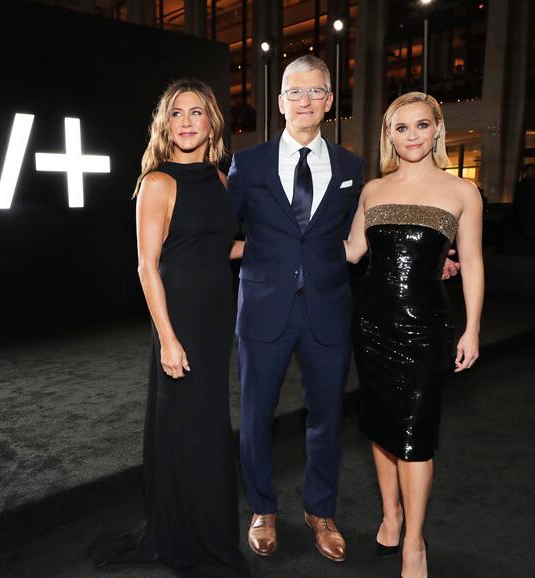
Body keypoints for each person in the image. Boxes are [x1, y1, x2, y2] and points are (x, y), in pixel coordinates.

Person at [89, 78, 248, 577]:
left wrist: (277, 247)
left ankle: (206, 527)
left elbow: (219, 249)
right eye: (176, 113)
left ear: (211, 122)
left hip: (216, 317)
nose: (186, 122)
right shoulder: (157, 182)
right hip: (178, 321)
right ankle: (181, 533)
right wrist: (169, 338)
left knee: (208, 426)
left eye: (196, 112)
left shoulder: (222, 181)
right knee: (185, 428)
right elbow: (147, 266)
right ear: (166, 124)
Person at [227, 54, 363, 563]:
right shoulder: (251, 162)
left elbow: (358, 234)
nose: (305, 100)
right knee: (257, 415)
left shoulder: (351, 167)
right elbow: (220, 232)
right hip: (263, 309)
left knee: (326, 418)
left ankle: (320, 511)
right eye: (295, 91)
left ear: (329, 101)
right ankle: (262, 508)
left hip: (328, 308)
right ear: (280, 100)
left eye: (316, 91)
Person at [344, 92, 484, 578]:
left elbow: (474, 264)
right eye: (400, 128)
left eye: (421, 125)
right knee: (382, 428)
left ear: (437, 129)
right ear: (388, 135)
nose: (412, 136)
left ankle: (415, 544)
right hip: (372, 326)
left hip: (428, 329)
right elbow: (350, 253)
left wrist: (473, 329)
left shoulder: (462, 192)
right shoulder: (372, 191)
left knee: (415, 436)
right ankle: (390, 516)